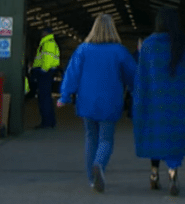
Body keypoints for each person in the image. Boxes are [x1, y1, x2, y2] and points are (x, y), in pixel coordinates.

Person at [57, 14, 136, 192]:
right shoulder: (119, 51)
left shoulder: (83, 49)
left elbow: (72, 74)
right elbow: (133, 76)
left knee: (90, 138)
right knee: (106, 139)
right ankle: (99, 163)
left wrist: (65, 96)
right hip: (110, 102)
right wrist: (136, 93)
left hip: (87, 102)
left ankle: (92, 179)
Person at [131, 7, 185, 196]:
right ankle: (173, 173)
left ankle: (154, 174)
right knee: (174, 139)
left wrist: (137, 100)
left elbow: (141, 77)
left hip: (155, 101)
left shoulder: (147, 45)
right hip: (177, 102)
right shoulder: (183, 44)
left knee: (155, 136)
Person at [32, 27, 61, 128]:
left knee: (44, 98)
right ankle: (50, 121)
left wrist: (43, 71)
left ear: (46, 33)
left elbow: (47, 59)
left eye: (43, 32)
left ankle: (47, 122)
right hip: (46, 73)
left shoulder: (48, 43)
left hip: (45, 73)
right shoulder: (47, 42)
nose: (41, 34)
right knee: (46, 98)